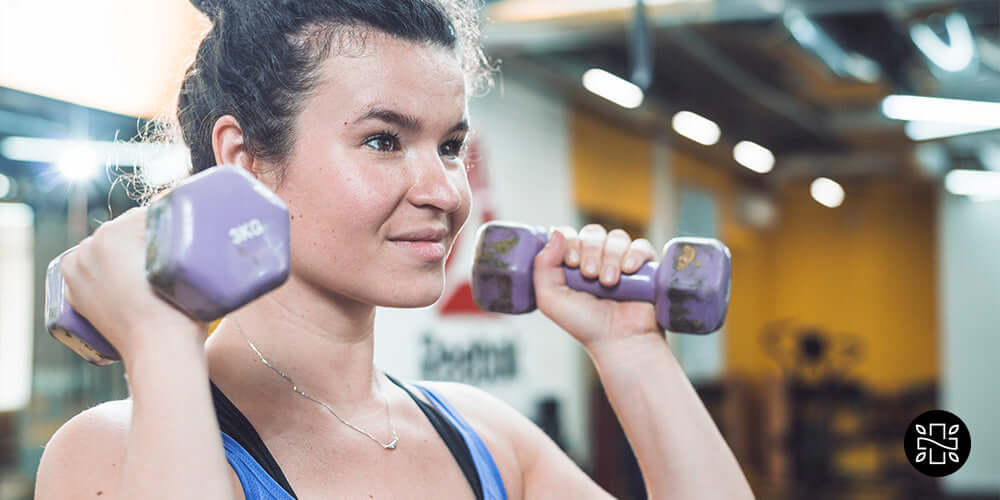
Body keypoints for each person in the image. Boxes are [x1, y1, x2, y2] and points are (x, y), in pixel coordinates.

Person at [34, 1, 755, 499]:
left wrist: (632, 349)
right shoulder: (104, 452)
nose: (444, 190)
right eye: (384, 140)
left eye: (450, 146)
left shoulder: (487, 439)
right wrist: (160, 337)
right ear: (243, 160)